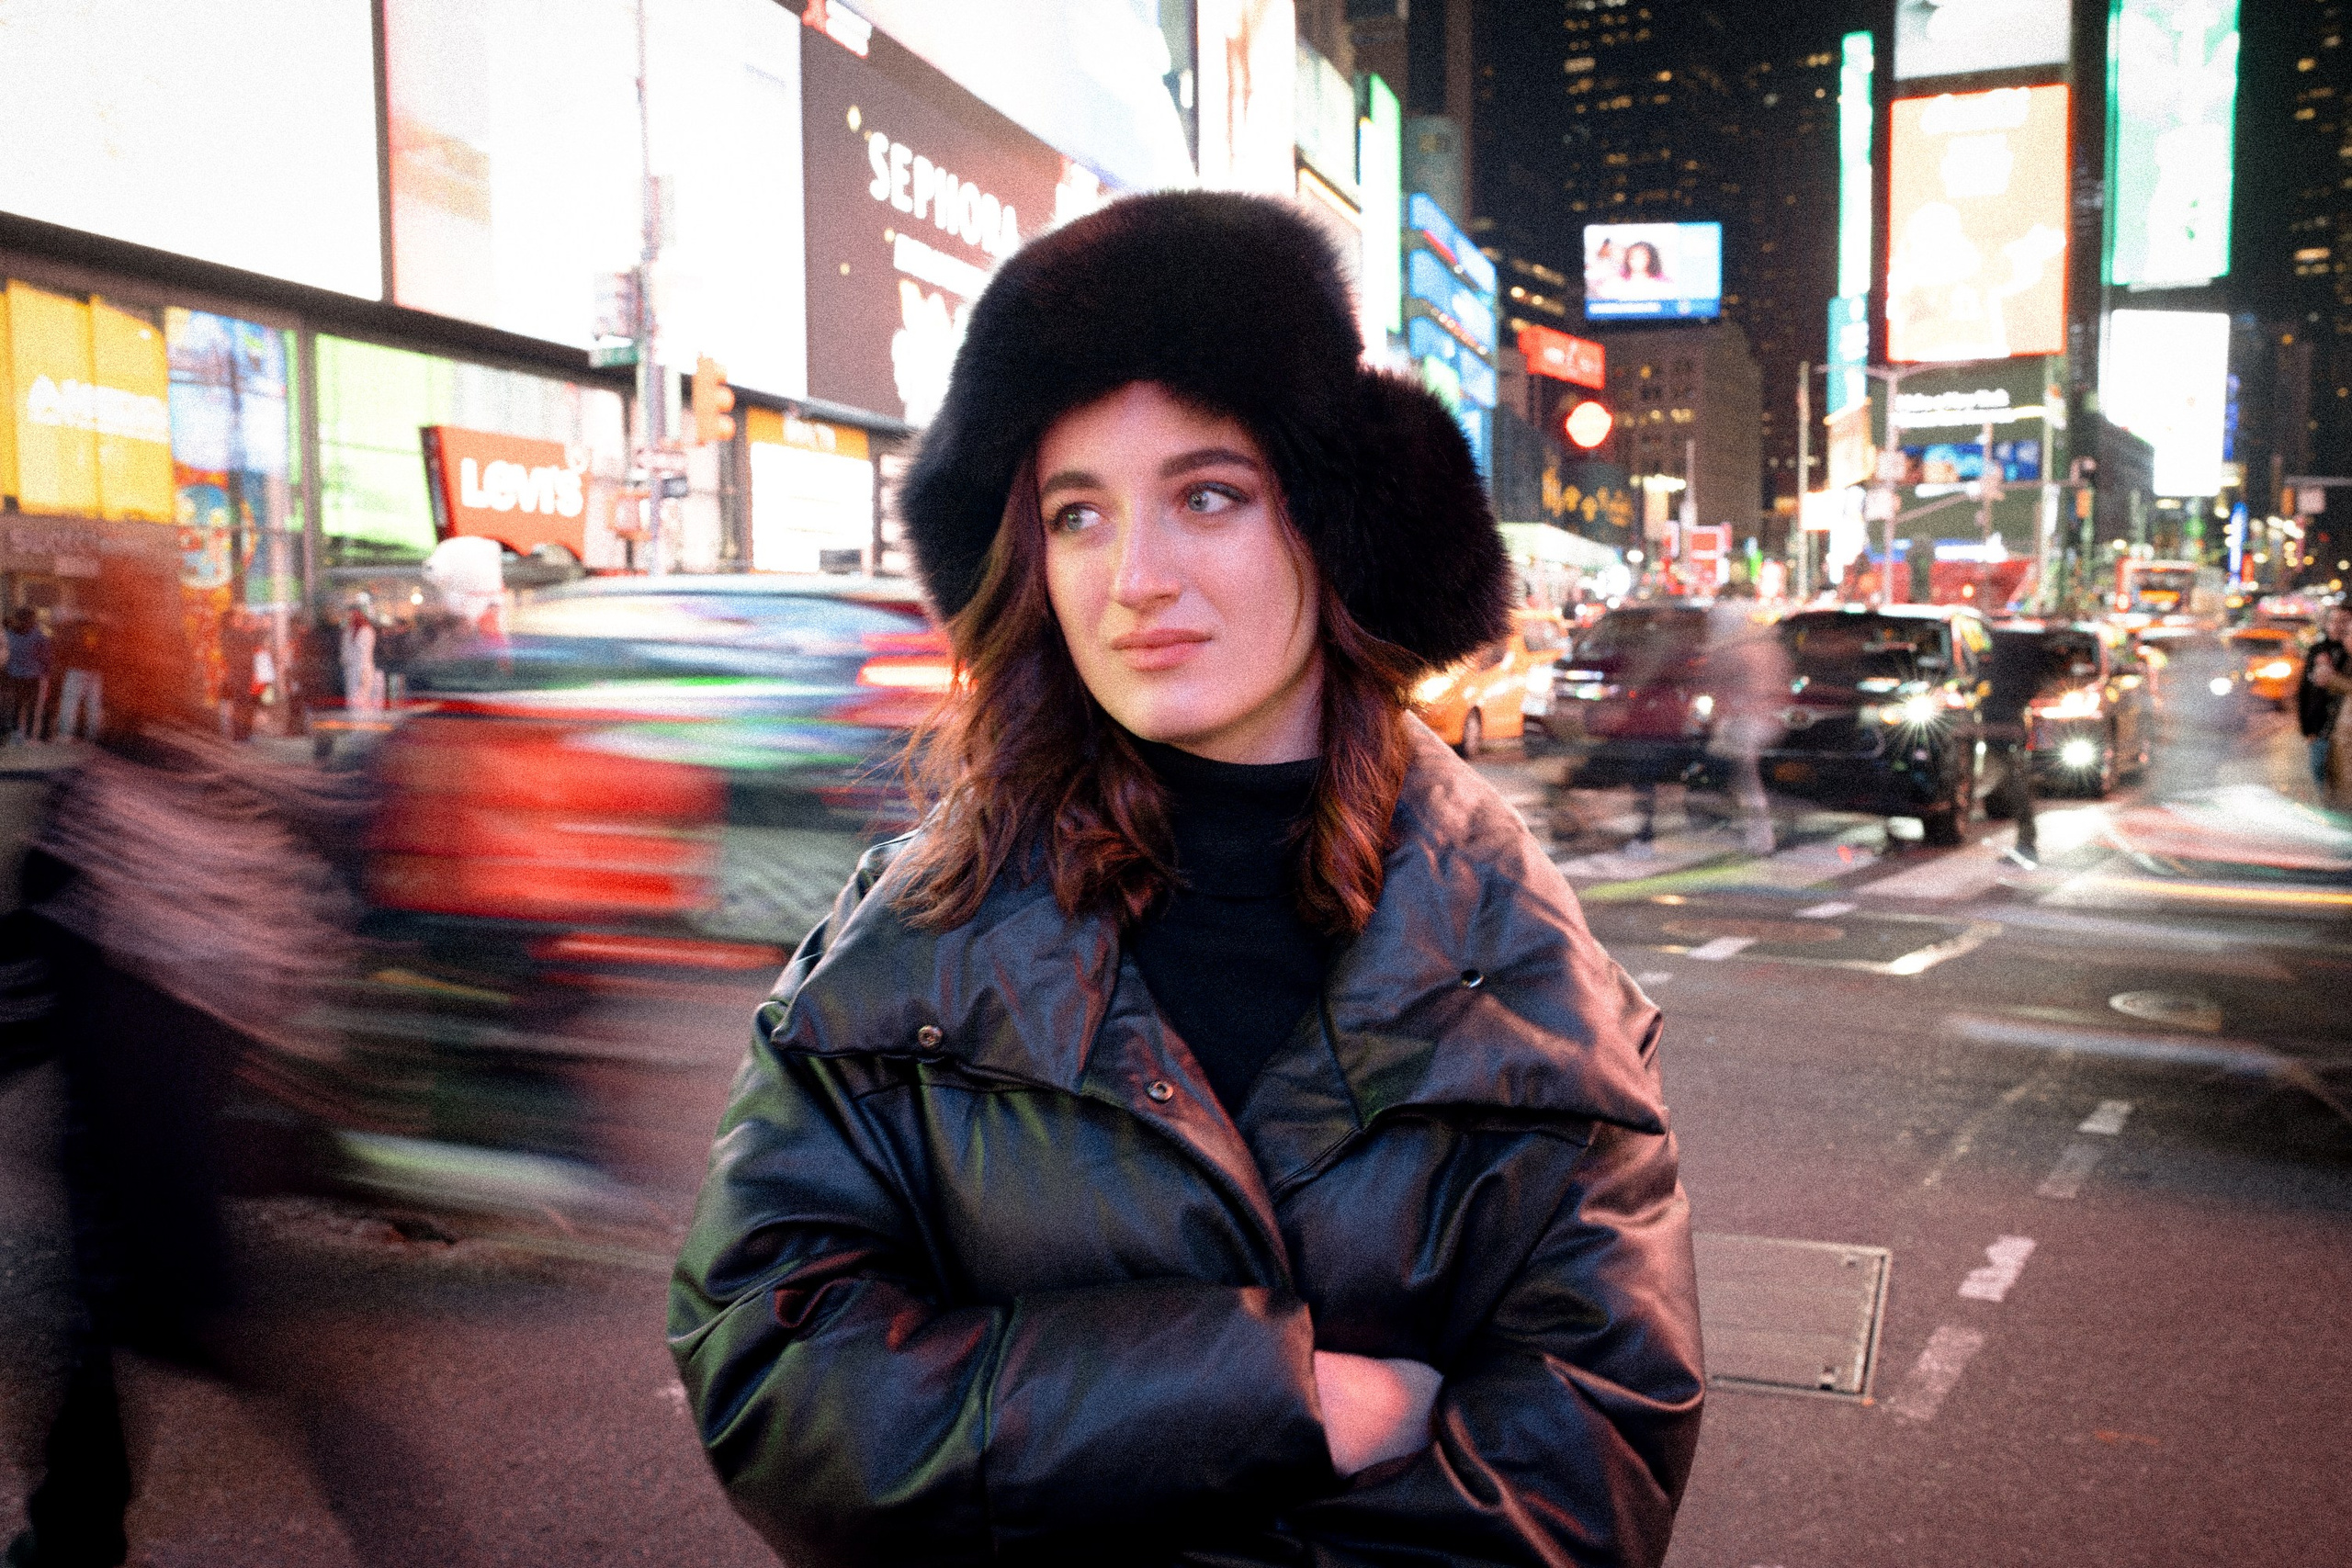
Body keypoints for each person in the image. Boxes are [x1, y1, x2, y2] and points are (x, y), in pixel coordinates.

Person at [669, 193, 1703, 1567]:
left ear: (1332, 523)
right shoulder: (905, 945)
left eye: (1206, 495)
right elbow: (773, 1371)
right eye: (1078, 513)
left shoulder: (1526, 976)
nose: (1134, 578)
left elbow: (1588, 1473)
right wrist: (1282, 1396)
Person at [2, 556, 459, 1567]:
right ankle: (73, 1527)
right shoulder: (202, 778)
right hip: (169, 1122)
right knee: (107, 1341)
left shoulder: (105, 800)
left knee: (202, 1336)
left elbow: (34, 980)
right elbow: (293, 919)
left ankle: (403, 1538)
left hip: (143, 1134)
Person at [1702, 580, 1792, 853]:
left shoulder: (1734, 650)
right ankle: (1754, 829)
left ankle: (1759, 835)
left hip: (1748, 723)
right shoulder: (1770, 645)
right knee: (1744, 775)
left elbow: (1716, 687)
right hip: (1772, 721)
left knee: (1742, 774)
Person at [1982, 628, 2056, 866]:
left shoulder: (2006, 676)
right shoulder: (2006, 675)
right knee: (2011, 788)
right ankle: (2025, 843)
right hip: (2001, 733)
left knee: (2015, 787)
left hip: (2003, 734)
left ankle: (2026, 844)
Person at [2297, 604, 2350, 794]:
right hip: (2319, 730)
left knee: (2340, 784)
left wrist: (2333, 678)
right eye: (2333, 621)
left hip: (2341, 734)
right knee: (2321, 778)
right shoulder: (2317, 650)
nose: (2337, 626)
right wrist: (2307, 728)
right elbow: (2305, 689)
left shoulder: (2349, 655)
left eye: (2344, 622)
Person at [50, 615, 102, 741]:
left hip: (76, 669)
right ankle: (93, 736)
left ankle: (65, 734)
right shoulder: (99, 632)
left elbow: (63, 649)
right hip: (95, 671)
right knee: (93, 705)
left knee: (70, 703)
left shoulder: (73, 630)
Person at [5, 606, 53, 742]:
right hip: (34, 676)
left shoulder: (8, 634)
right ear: (31, 619)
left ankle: (17, 733)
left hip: (15, 674)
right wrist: (47, 671)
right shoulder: (38, 635)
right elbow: (46, 656)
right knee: (33, 706)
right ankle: (31, 735)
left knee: (17, 705)